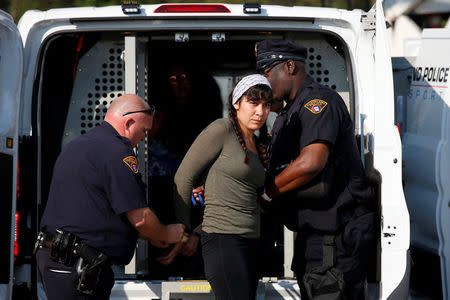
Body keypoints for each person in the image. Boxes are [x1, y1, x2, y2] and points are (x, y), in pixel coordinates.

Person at [255, 40, 378, 299]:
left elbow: (311, 162)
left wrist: (268, 193)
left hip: (335, 236)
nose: (264, 83)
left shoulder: (318, 102)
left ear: (290, 67)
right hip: (317, 233)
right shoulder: (290, 113)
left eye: (267, 74)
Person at [35, 94, 186, 300]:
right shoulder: (116, 151)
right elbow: (140, 218)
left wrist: (150, 234)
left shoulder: (82, 145)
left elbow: (96, 213)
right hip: (75, 263)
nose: (143, 139)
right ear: (129, 122)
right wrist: (168, 233)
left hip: (62, 259)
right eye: (144, 131)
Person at [171, 74, 272, 299]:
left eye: (266, 105)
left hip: (252, 241)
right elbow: (183, 177)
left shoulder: (259, 143)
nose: (260, 111)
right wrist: (184, 231)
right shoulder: (221, 129)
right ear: (236, 103)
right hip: (224, 239)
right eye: (253, 103)